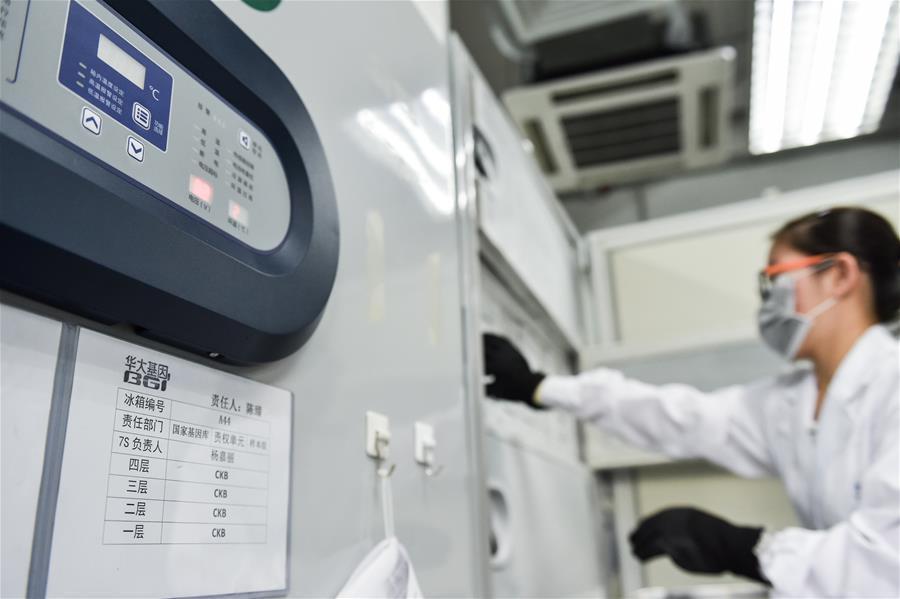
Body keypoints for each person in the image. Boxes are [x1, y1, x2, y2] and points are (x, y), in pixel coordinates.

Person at [483, 207, 900, 597]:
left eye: (776, 278)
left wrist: (742, 547)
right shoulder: (793, 401)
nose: (769, 301)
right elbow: (681, 418)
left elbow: (883, 563)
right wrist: (541, 387)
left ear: (840, 274)